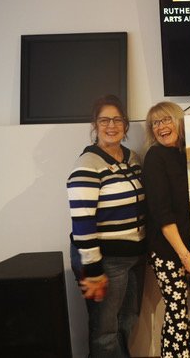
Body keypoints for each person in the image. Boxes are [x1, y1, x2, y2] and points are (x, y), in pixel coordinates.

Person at [67, 95, 146, 357]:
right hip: (107, 260)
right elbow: (82, 222)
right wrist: (93, 270)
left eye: (117, 119)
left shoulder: (131, 158)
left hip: (134, 257)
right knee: (105, 331)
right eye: (104, 120)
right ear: (95, 124)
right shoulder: (88, 165)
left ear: (125, 124)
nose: (111, 125)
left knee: (129, 320)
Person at [142, 101, 190, 358]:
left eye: (167, 120)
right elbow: (162, 215)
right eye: (156, 123)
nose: (162, 127)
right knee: (178, 315)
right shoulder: (154, 158)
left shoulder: (189, 154)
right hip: (170, 251)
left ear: (179, 122)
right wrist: (184, 255)